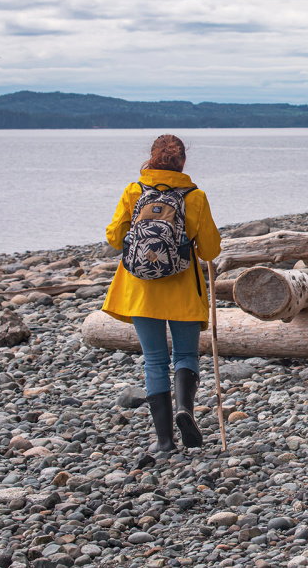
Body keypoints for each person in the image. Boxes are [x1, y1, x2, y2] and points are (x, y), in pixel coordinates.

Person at [102, 134, 222, 452]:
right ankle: (185, 409)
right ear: (182, 161)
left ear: (151, 159)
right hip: (182, 289)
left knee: (154, 361)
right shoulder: (195, 196)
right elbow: (209, 250)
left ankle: (165, 441)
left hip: (140, 290)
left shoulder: (134, 191)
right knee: (185, 355)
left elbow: (114, 239)